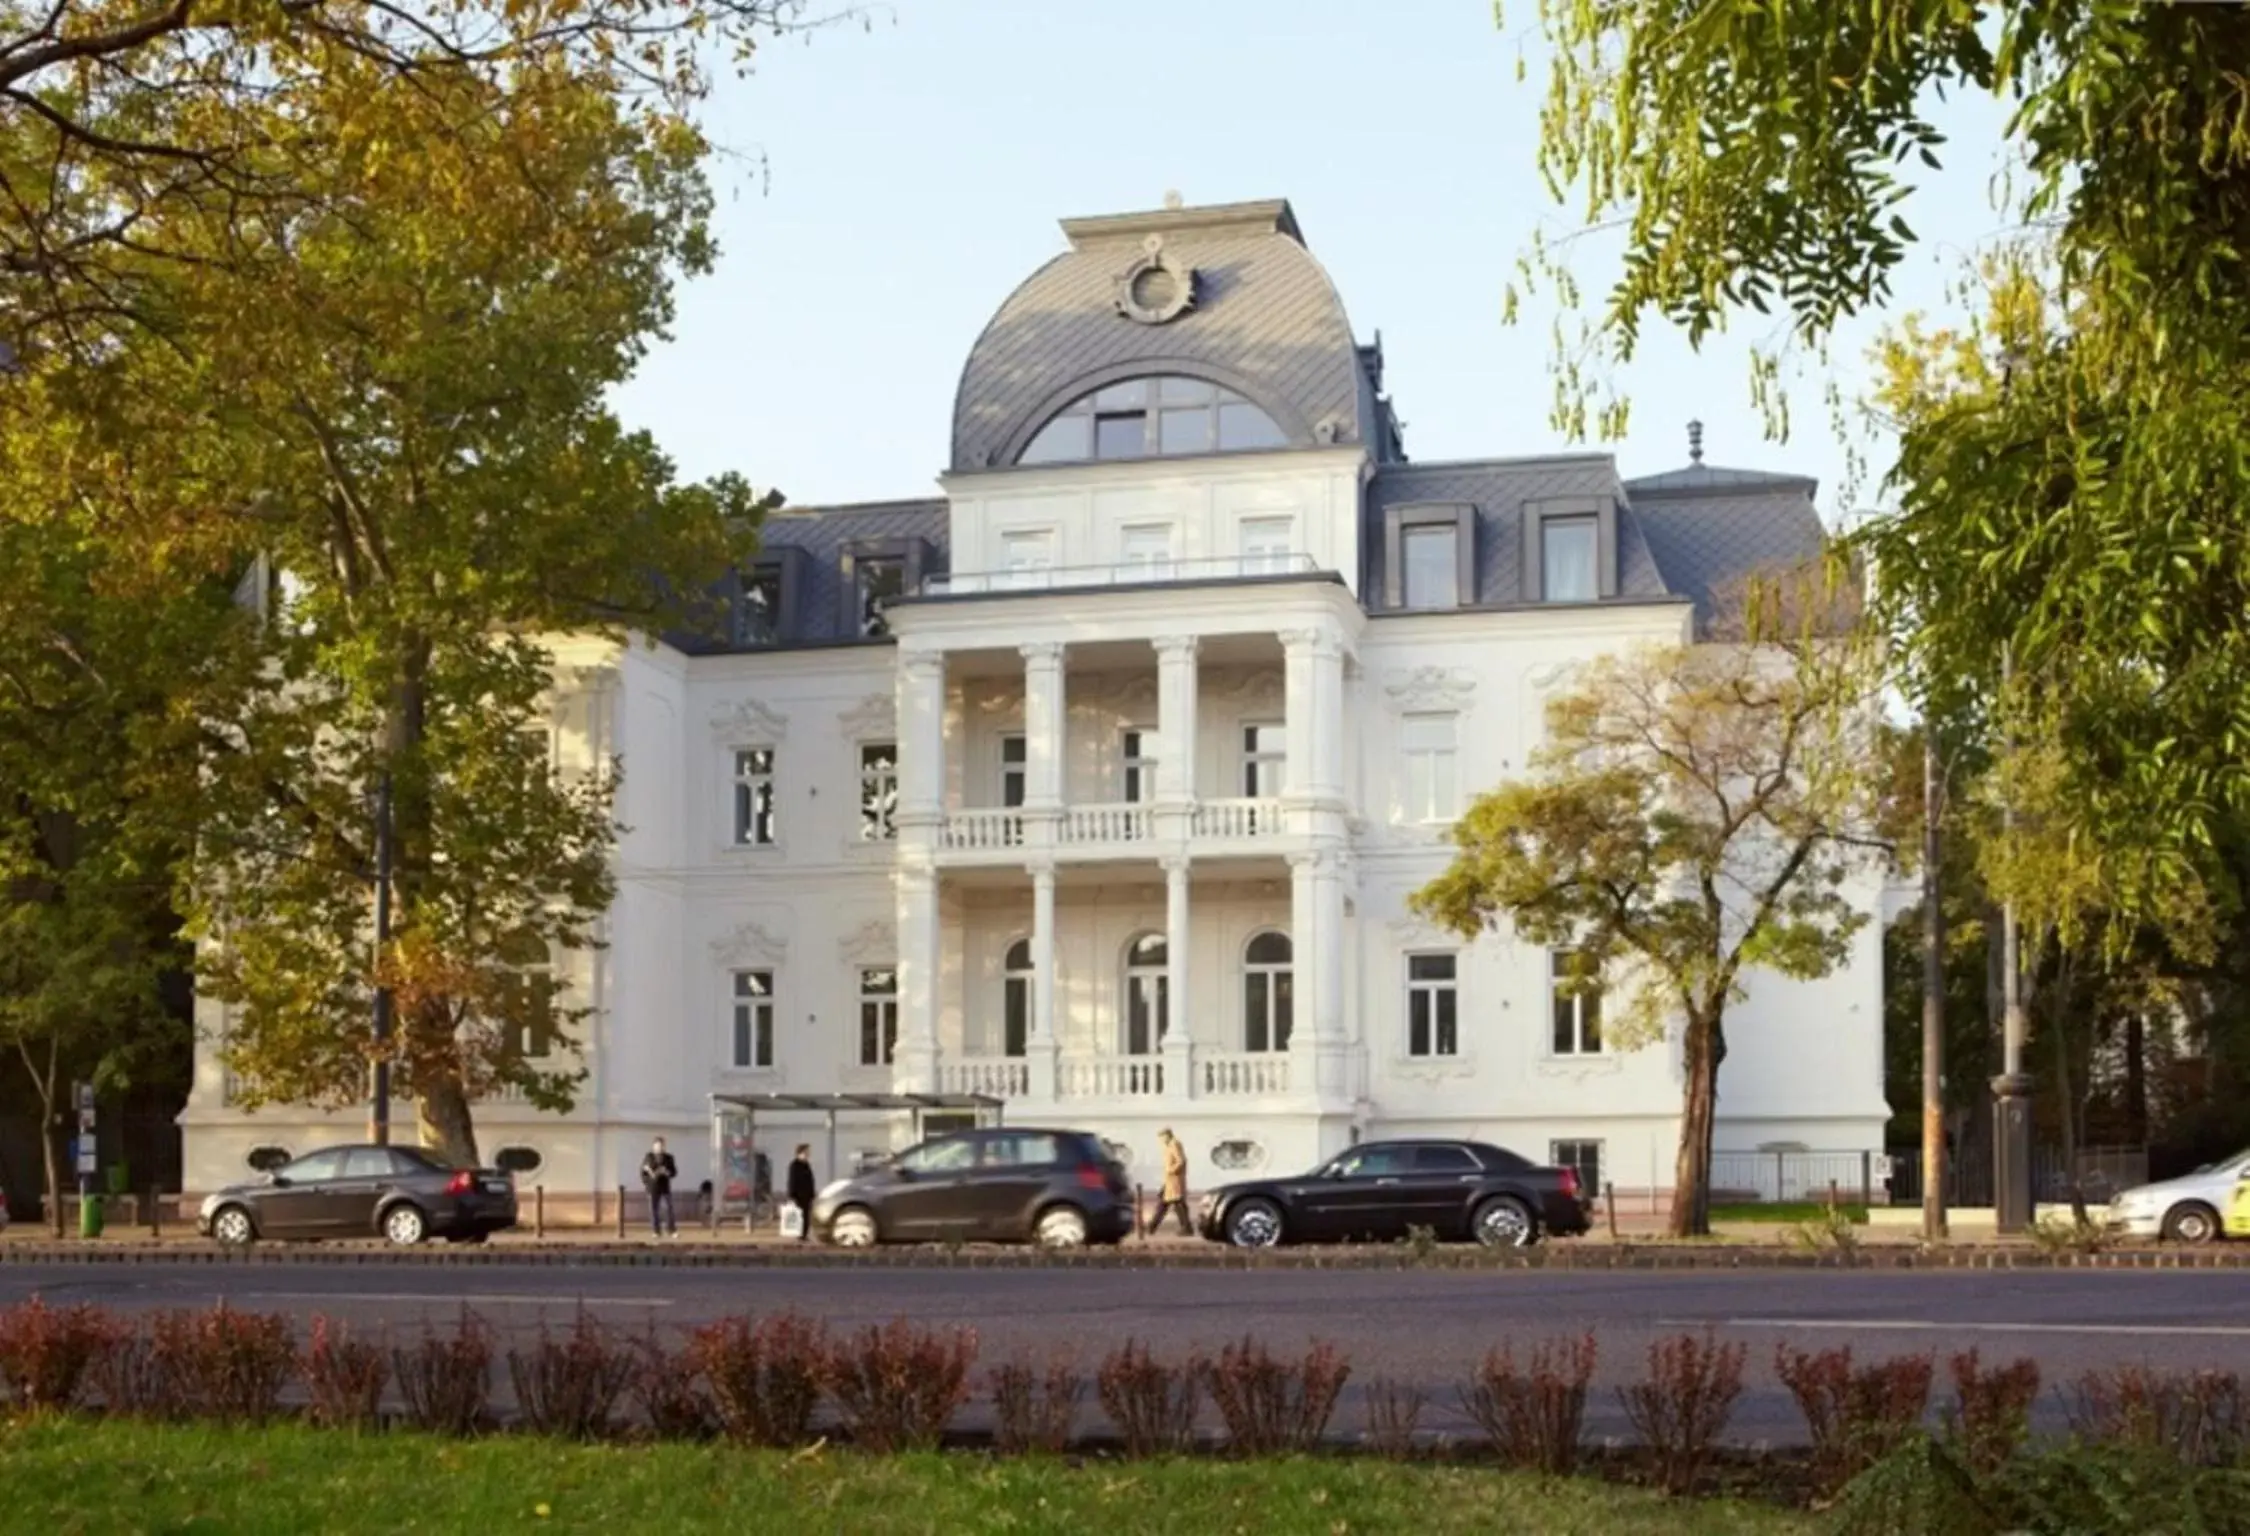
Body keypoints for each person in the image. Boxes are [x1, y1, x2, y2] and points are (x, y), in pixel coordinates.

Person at [1146, 1128, 1191, 1238]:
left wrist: (1171, 1170)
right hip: (1170, 1181)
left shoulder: (1174, 1144)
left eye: (1162, 1137)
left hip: (1174, 1180)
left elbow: (1181, 1161)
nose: (1161, 1140)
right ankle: (1152, 1227)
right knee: (1169, 1204)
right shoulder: (1168, 1146)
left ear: (1167, 1135)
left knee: (1174, 1204)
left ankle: (1152, 1227)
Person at [640, 1136, 678, 1238]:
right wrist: (647, 1182)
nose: (659, 1148)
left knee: (668, 1208)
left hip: (665, 1187)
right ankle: (656, 1231)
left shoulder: (669, 1158)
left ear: (664, 1147)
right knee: (653, 1210)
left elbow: (674, 1172)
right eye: (657, 1146)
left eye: (661, 1146)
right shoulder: (648, 1157)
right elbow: (643, 1172)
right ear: (653, 1147)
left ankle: (671, 1230)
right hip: (652, 1188)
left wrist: (667, 1172)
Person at [786, 1145, 817, 1241]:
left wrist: (812, 1193)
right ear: (800, 1153)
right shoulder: (794, 1165)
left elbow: (810, 1180)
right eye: (806, 1152)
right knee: (799, 1215)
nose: (808, 1154)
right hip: (798, 1195)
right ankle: (799, 1234)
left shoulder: (806, 1164)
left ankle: (804, 1234)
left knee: (806, 1215)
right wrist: (791, 1195)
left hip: (807, 1195)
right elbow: (792, 1180)